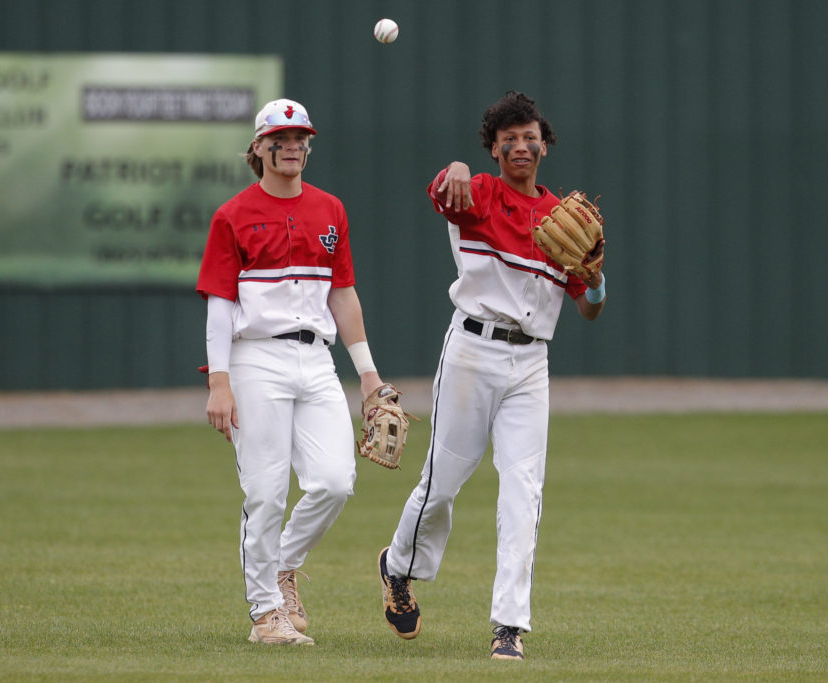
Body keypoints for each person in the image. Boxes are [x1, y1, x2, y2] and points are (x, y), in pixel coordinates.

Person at [377, 91, 606, 660]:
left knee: (523, 490)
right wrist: (453, 168)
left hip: (531, 363)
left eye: (530, 136)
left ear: (544, 144)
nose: (521, 145)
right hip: (473, 352)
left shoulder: (564, 220)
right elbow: (440, 192)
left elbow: (590, 308)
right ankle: (397, 563)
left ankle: (509, 626)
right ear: (494, 148)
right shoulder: (476, 193)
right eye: (509, 138)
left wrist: (598, 279)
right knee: (442, 483)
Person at [198, 98, 389, 646]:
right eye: (279, 138)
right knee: (265, 492)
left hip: (317, 358)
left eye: (300, 137)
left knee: (334, 480)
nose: (292, 146)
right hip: (256, 357)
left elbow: (343, 294)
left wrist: (369, 375)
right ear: (259, 147)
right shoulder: (232, 214)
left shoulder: (330, 208)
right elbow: (218, 303)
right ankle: (266, 616)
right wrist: (219, 380)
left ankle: (282, 567)